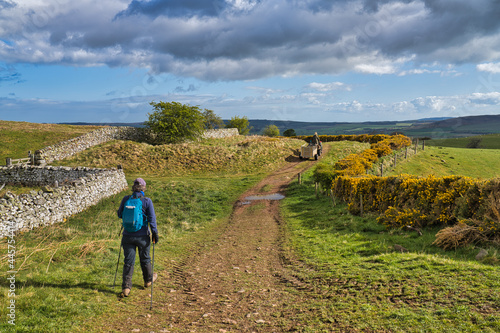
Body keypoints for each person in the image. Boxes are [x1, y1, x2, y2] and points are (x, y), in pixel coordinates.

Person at [117, 178, 159, 297]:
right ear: (143, 188)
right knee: (145, 258)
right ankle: (148, 280)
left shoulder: (126, 199)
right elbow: (152, 219)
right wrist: (155, 233)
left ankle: (126, 288)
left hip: (127, 236)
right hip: (143, 236)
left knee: (128, 261)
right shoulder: (147, 201)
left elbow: (120, 214)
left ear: (133, 187)